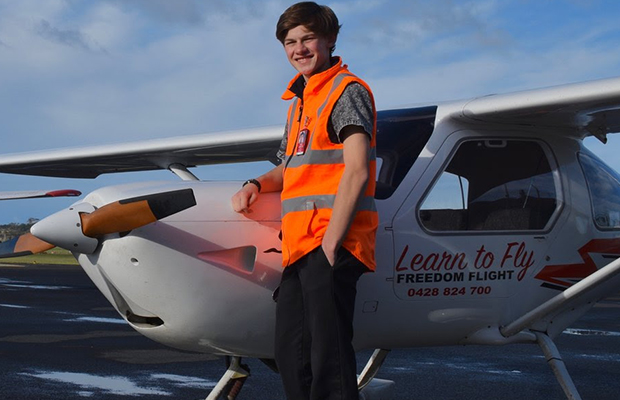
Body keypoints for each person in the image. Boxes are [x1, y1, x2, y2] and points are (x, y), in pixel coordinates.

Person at [231, 2, 378, 399]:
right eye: (290, 41)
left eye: (308, 38)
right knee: (291, 352)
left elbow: (358, 168)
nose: (299, 48)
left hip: (332, 242)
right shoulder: (300, 103)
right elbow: (288, 167)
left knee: (328, 356)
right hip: (300, 246)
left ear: (329, 39)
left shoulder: (346, 91)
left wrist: (332, 242)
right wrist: (256, 184)